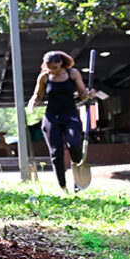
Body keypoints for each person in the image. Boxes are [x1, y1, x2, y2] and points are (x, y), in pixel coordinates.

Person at [26, 50, 96, 191]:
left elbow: (82, 95)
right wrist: (32, 103)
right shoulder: (44, 77)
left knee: (74, 145)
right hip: (52, 117)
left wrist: (88, 94)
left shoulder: (73, 73)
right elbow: (38, 95)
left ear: (61, 63)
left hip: (71, 115)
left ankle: (78, 183)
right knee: (56, 152)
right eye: (49, 68)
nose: (53, 71)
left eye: (55, 67)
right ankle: (63, 186)